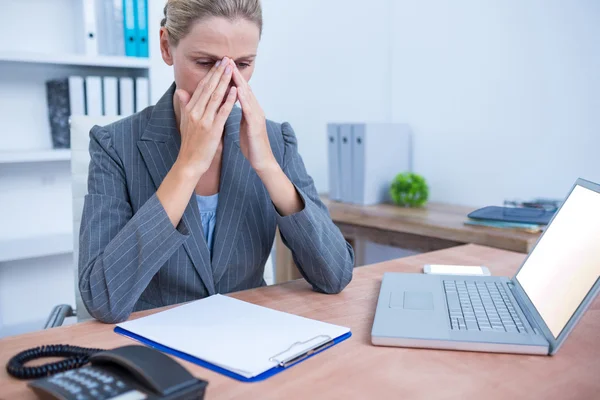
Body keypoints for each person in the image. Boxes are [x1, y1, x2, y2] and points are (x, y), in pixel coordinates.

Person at [78, 0, 354, 323]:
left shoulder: (277, 141)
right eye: (206, 63)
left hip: (250, 341)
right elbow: (103, 298)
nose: (227, 84)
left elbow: (335, 275)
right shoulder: (113, 146)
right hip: (158, 352)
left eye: (244, 65)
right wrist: (187, 166)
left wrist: (268, 167)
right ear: (166, 47)